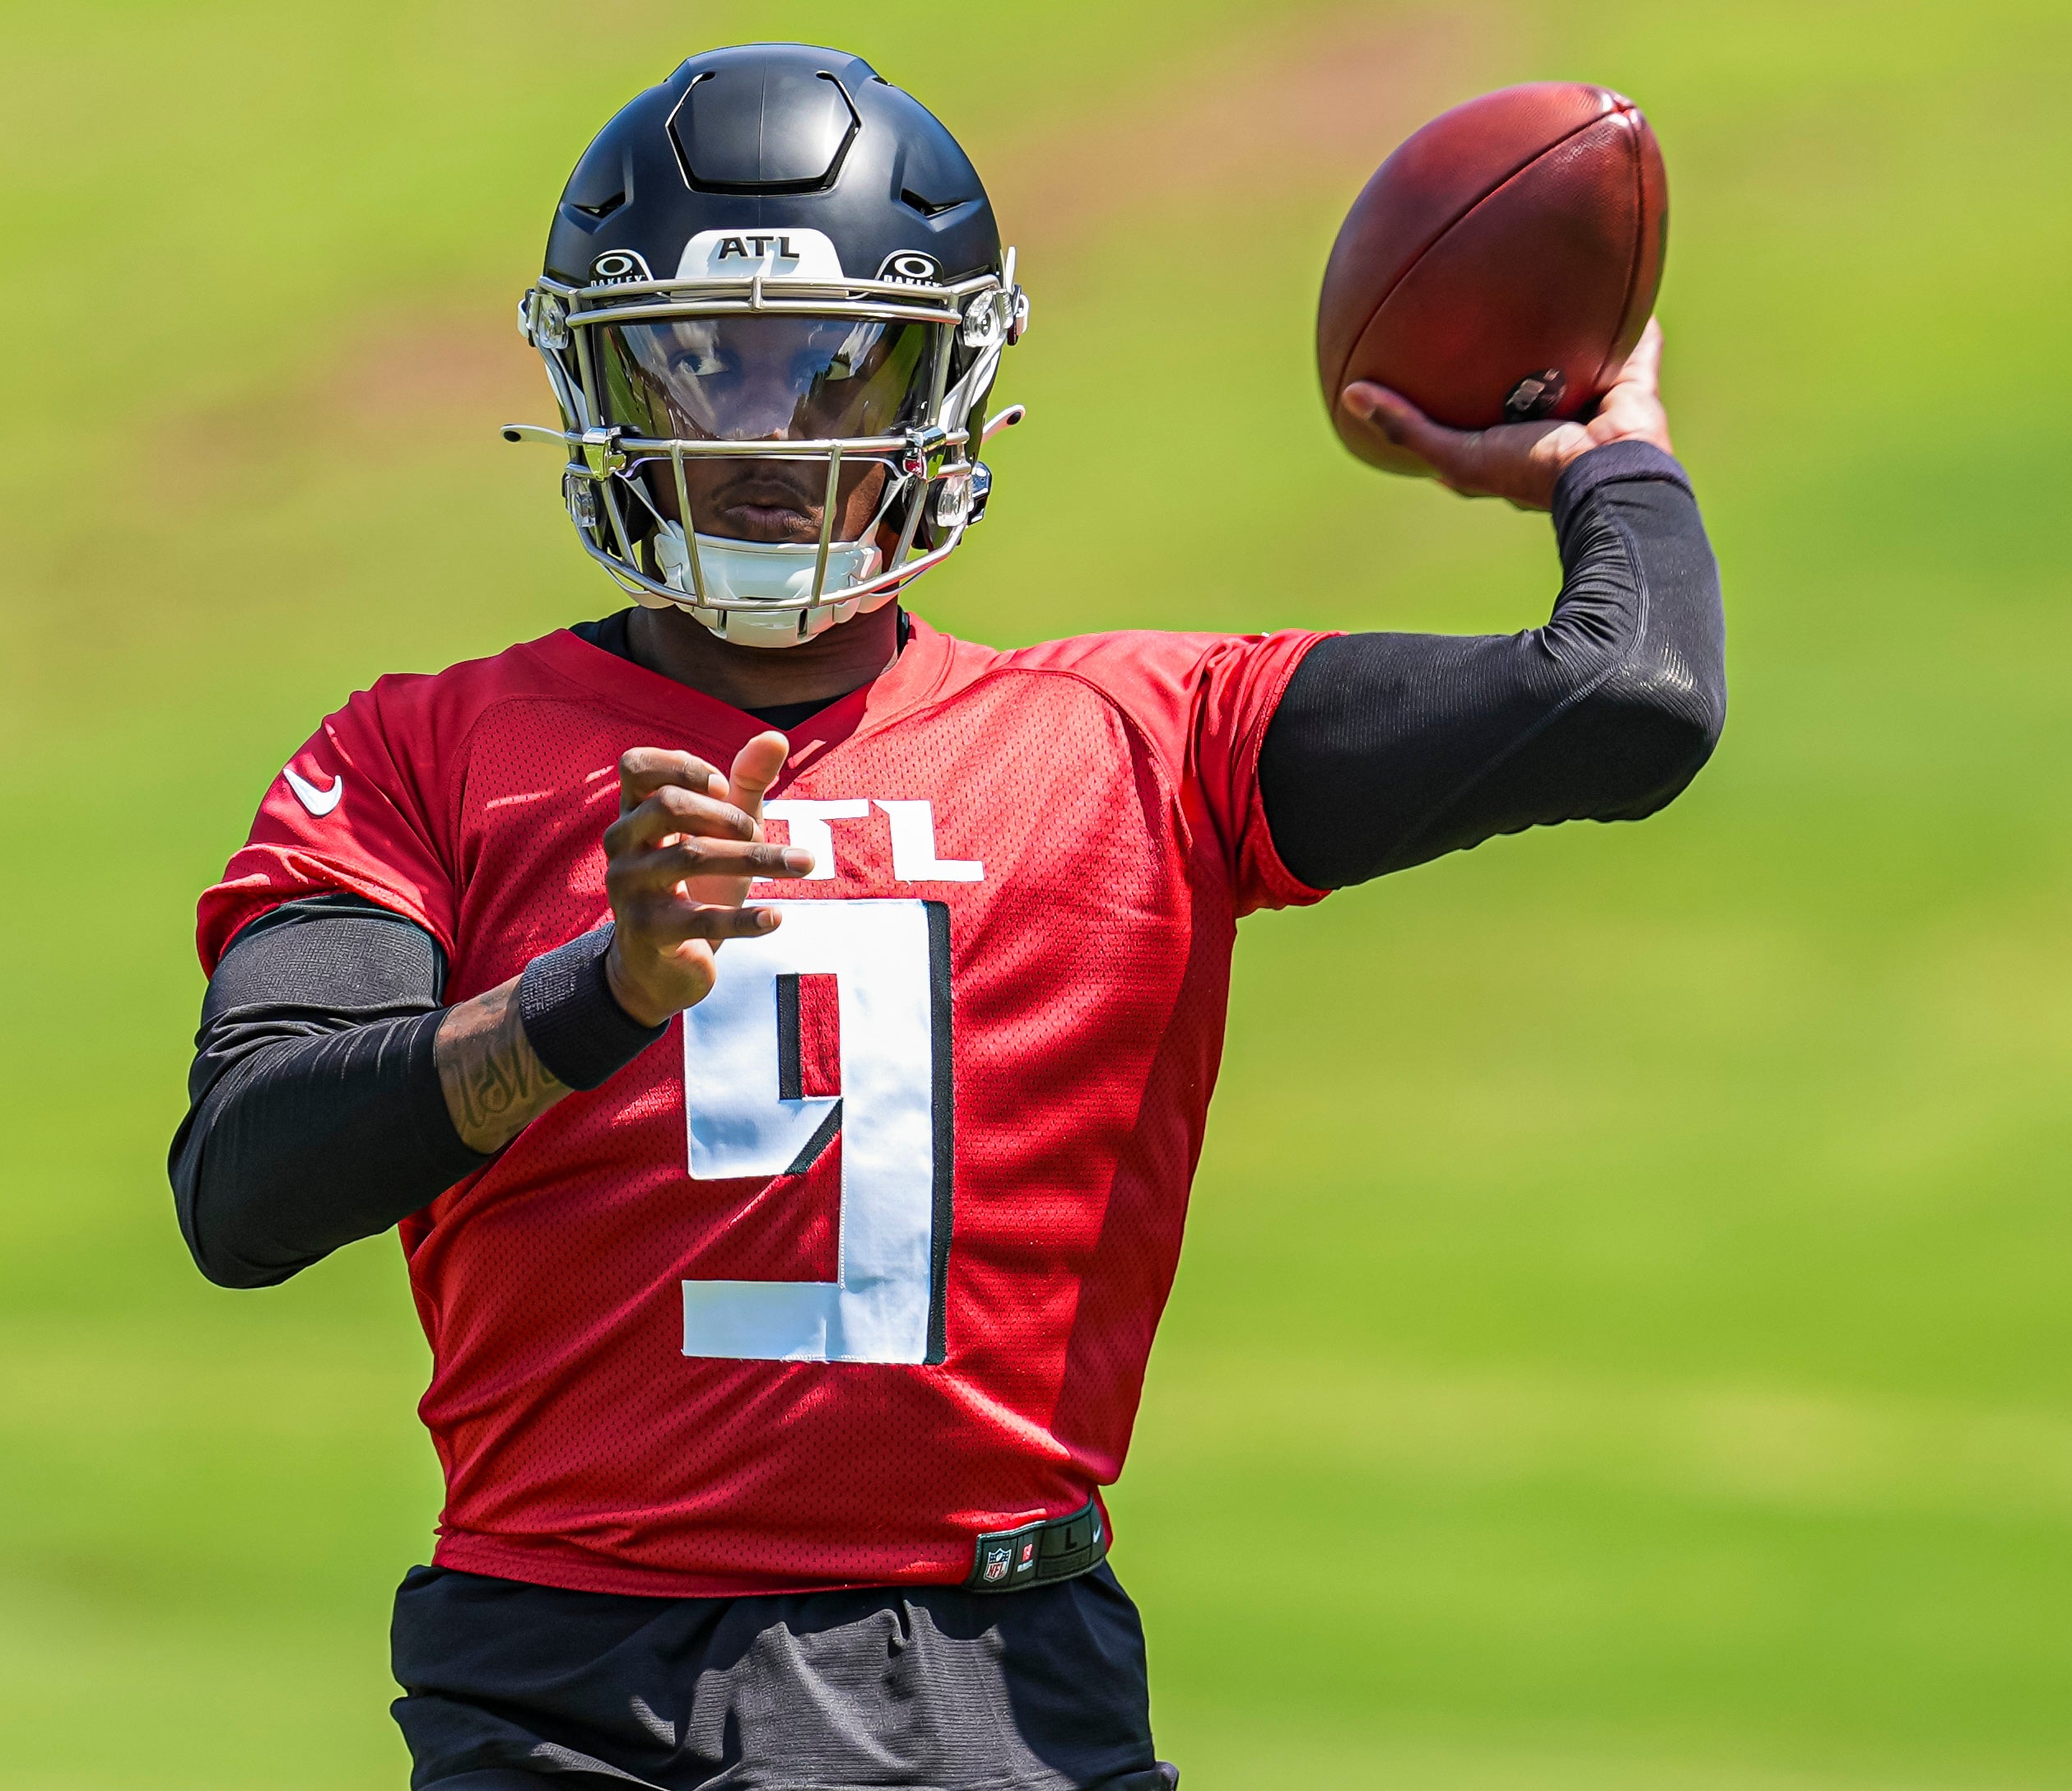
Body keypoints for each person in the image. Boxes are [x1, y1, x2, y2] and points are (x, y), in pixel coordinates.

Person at [168, 43, 1722, 1791]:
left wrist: (1607, 460)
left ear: (952, 385)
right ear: (599, 384)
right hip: (567, 1700)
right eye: (698, 365)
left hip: (1003, 1691)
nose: (767, 434)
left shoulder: (1146, 738)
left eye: (838, 366)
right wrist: (594, 995)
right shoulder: (419, 753)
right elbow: (246, 1184)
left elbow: (1630, 699)